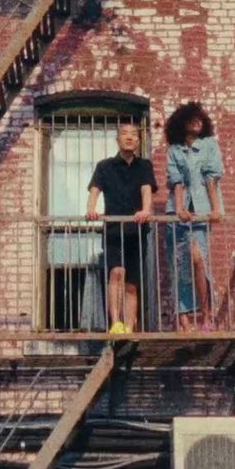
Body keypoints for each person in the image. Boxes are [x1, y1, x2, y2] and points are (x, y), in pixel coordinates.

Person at [86, 122, 155, 334]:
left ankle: (129, 326)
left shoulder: (144, 166)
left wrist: (146, 210)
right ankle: (115, 322)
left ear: (138, 141)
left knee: (132, 283)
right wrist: (91, 210)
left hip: (136, 230)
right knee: (116, 272)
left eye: (134, 134)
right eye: (124, 134)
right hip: (114, 230)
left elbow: (146, 191)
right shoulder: (104, 166)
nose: (129, 137)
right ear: (118, 139)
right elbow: (95, 191)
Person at [164, 102, 224, 332]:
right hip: (178, 215)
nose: (197, 121)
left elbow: (212, 178)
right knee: (179, 266)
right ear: (182, 122)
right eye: (192, 118)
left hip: (200, 212)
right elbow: (176, 181)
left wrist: (215, 209)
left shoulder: (209, 145)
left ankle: (206, 314)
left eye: (200, 118)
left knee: (198, 259)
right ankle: (184, 320)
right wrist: (179, 209)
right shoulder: (174, 150)